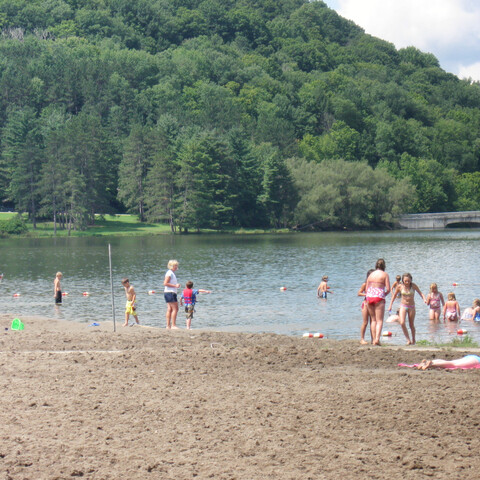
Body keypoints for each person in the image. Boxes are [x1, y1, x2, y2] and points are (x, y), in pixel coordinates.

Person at [388, 273, 426, 345]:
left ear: (411, 280)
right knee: (402, 322)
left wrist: (424, 299)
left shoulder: (413, 286)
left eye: (408, 281)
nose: (407, 283)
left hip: (411, 306)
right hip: (403, 306)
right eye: (405, 281)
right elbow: (394, 296)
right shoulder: (400, 287)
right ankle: (408, 340)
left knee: (411, 325)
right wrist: (390, 305)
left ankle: (413, 340)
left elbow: (420, 293)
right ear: (403, 281)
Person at [365, 258, 390, 346]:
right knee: (379, 321)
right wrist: (384, 295)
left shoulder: (371, 274)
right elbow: (388, 289)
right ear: (384, 266)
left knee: (373, 320)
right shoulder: (385, 274)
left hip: (369, 296)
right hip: (379, 296)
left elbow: (366, 288)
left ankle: (373, 339)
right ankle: (377, 339)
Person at [357, 269, 374, 345]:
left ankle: (373, 339)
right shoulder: (365, 284)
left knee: (373, 322)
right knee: (365, 322)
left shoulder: (376, 285)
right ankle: (362, 339)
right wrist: (366, 295)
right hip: (366, 303)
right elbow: (359, 293)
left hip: (373, 303)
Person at [164, 259, 180, 329]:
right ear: (171, 266)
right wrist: (175, 286)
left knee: (170, 309)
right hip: (170, 292)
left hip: (169, 292)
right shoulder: (169, 273)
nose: (176, 267)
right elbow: (165, 283)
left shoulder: (171, 273)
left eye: (176, 265)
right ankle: (173, 325)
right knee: (175, 308)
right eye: (175, 265)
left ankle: (168, 325)